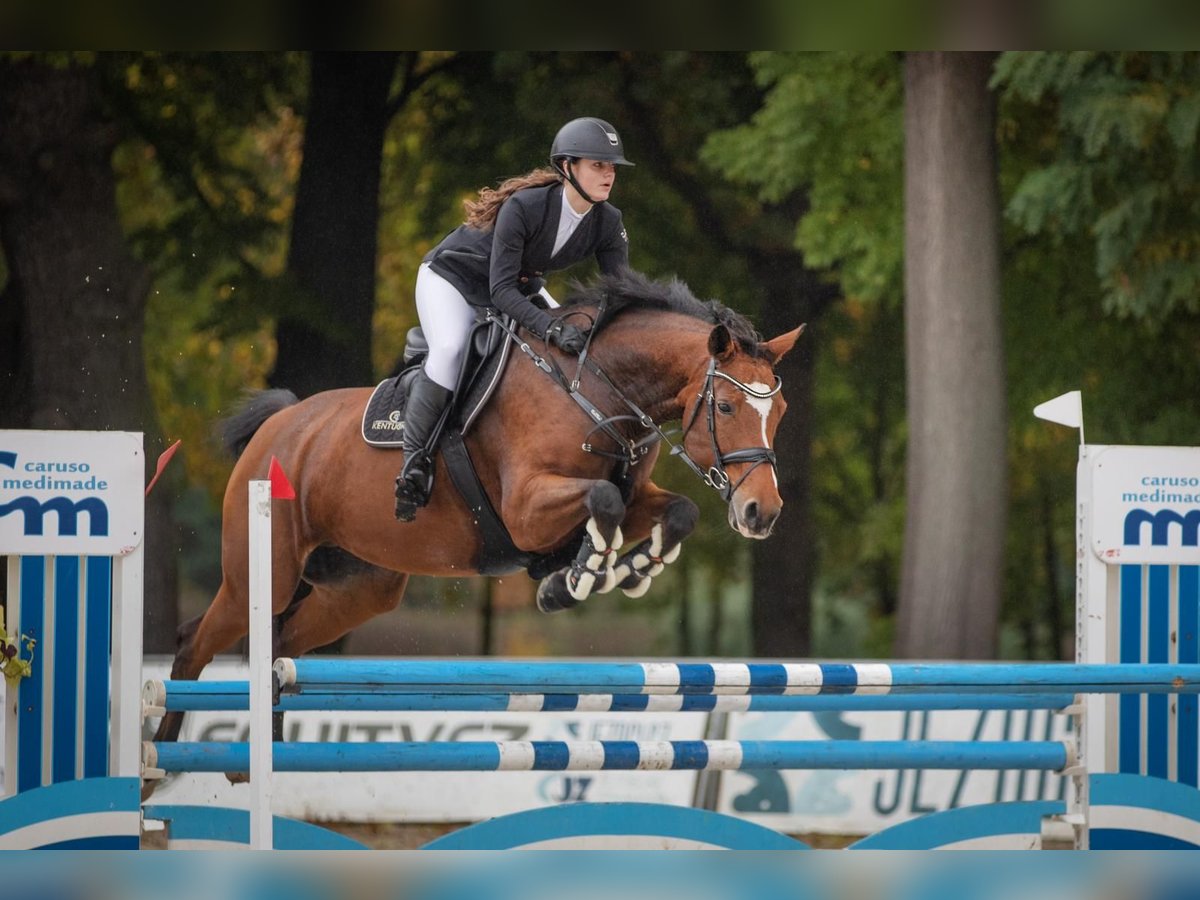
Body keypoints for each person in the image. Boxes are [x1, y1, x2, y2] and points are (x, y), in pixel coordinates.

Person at [394, 116, 635, 521]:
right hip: (454, 279)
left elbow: (620, 293)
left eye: (611, 166)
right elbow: (501, 292)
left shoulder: (608, 221)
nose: (608, 174)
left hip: (516, 283)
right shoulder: (525, 207)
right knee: (450, 349)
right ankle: (413, 466)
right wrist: (551, 327)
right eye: (598, 165)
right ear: (567, 167)